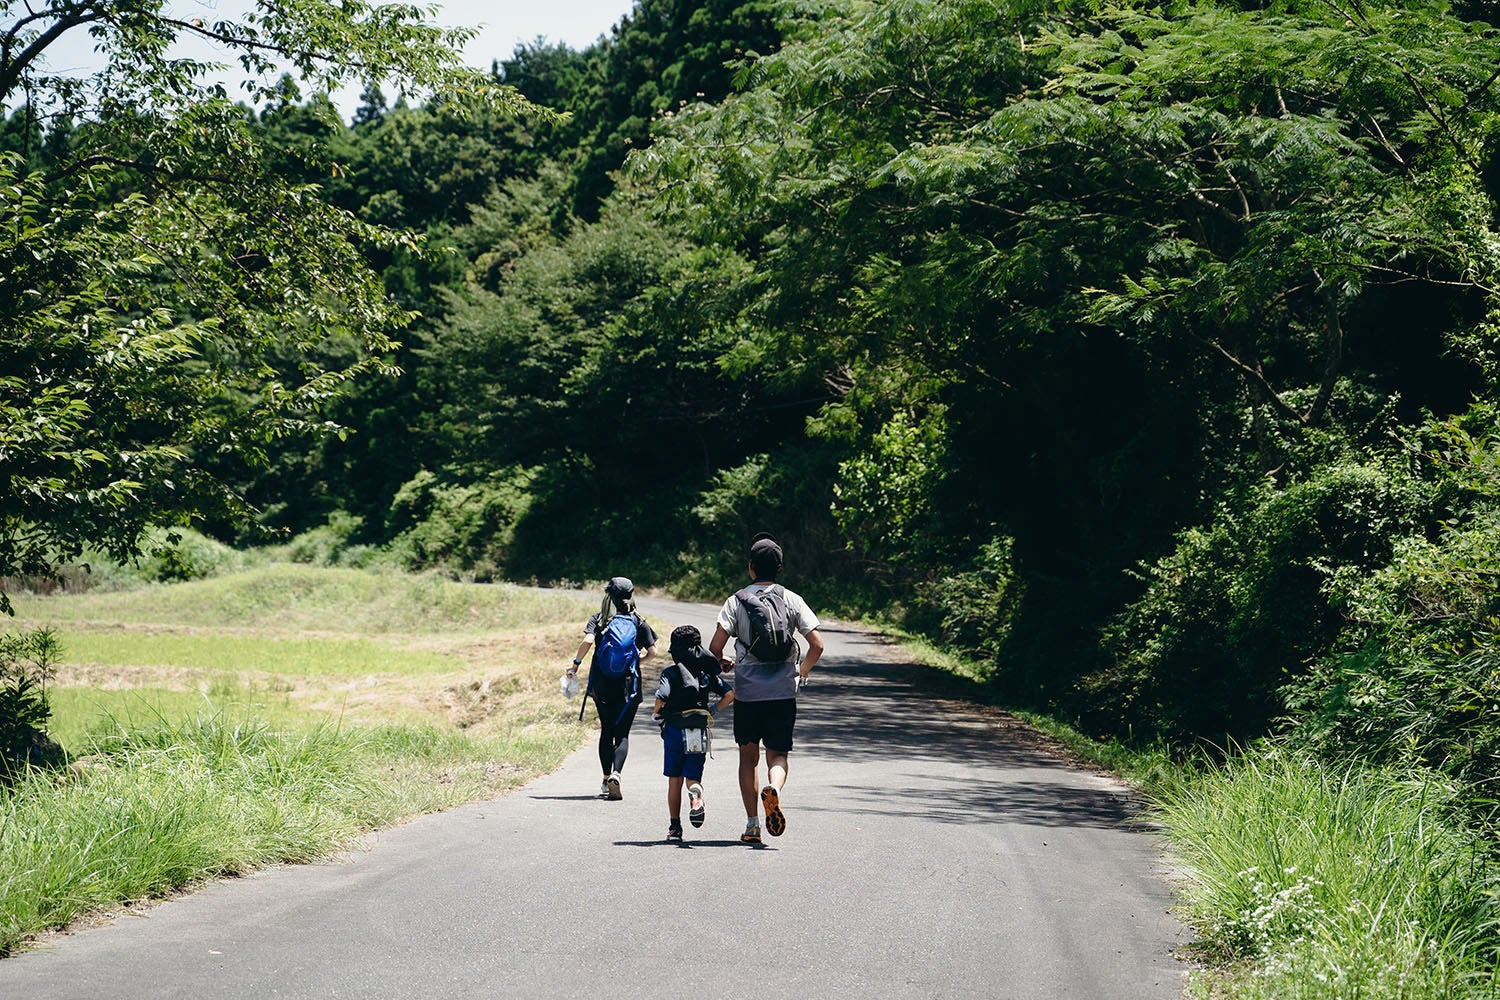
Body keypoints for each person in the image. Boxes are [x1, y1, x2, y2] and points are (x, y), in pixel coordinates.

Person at [709, 532, 823, 843]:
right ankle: (774, 787)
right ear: (780, 568)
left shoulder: (736, 601)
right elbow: (817, 645)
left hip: (747, 692)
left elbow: (715, 648)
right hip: (783, 691)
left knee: (748, 757)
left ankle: (751, 825)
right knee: (778, 754)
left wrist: (723, 664)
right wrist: (800, 673)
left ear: (750, 567)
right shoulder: (791, 599)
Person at [568, 576, 658, 800]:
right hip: (629, 687)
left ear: (608, 595)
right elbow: (654, 652)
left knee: (606, 731)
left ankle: (605, 779)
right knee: (623, 734)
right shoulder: (638, 621)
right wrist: (636, 663)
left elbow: (588, 642)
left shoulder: (599, 620)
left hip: (602, 685)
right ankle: (617, 774)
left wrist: (575, 665)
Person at [652, 625, 734, 842]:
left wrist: (657, 713)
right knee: (693, 778)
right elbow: (729, 694)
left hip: (674, 731)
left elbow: (662, 696)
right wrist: (713, 710)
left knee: (674, 780)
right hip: (698, 730)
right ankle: (696, 798)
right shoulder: (706, 674)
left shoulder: (670, 673)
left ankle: (675, 827)